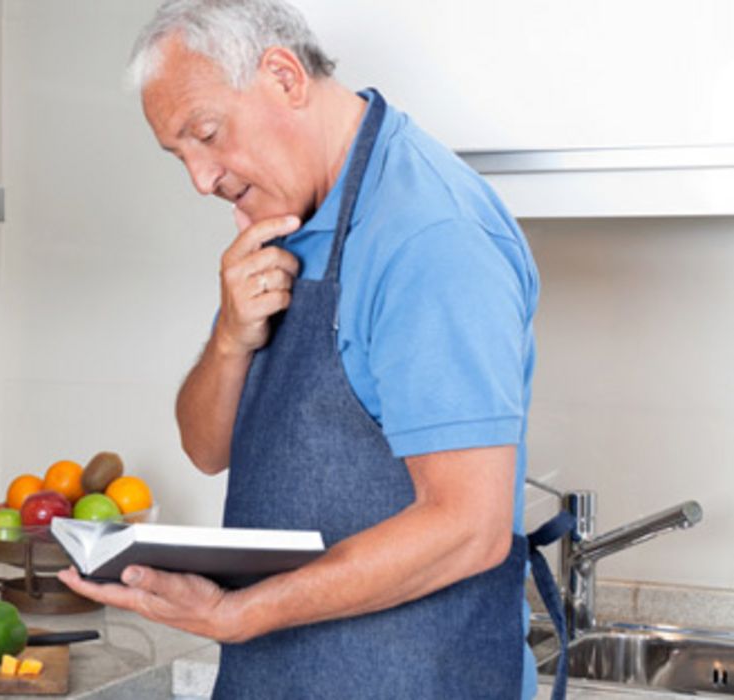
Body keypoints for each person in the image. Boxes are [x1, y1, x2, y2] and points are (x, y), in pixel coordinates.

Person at [56, 1, 555, 698]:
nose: (200, 179)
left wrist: (238, 612)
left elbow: (466, 527)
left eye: (205, 134)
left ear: (285, 77)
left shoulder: (430, 239)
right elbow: (206, 449)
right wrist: (229, 335)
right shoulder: (287, 219)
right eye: (180, 155)